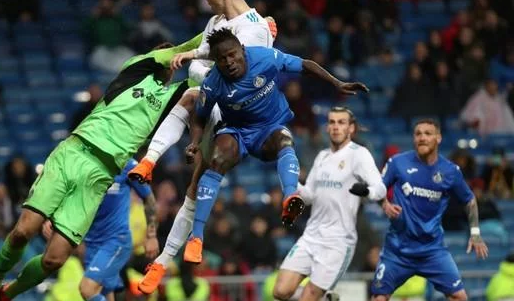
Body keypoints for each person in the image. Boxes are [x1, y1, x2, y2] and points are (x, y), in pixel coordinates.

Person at [0, 33, 203, 301]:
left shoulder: (174, 97)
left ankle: (6, 295)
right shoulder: (135, 70)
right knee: (23, 231)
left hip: (99, 177)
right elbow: (182, 49)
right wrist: (215, 31)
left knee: (55, 259)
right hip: (74, 153)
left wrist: (229, 36)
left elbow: (200, 80)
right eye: (167, 57)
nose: (171, 63)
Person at [133, 0, 277, 293]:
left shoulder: (254, 30)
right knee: (193, 190)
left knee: (191, 90)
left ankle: (151, 163)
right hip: (214, 107)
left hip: (240, 115)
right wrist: (193, 57)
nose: (207, 1)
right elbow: (207, 56)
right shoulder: (216, 23)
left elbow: (240, 77)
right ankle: (161, 261)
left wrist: (197, 65)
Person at [184, 29, 367, 264]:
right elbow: (200, 117)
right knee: (217, 159)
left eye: (232, 54)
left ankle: (291, 197)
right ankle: (196, 238)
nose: (229, 62)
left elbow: (305, 64)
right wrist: (194, 142)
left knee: (284, 140)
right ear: (216, 61)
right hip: (237, 131)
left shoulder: (265, 57)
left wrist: (336, 83)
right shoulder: (213, 84)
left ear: (242, 48)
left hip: (269, 129)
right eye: (222, 59)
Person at [368, 119, 489, 301]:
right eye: (418, 134)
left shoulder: (450, 171)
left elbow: (470, 200)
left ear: (438, 138)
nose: (422, 138)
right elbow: (378, 190)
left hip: (432, 250)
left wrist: (475, 232)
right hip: (398, 250)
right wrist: (385, 204)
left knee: (459, 297)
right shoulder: (397, 163)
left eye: (428, 133)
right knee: (378, 297)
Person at [273, 107, 387, 301]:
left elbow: (380, 188)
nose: (335, 127)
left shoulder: (359, 155)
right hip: (311, 236)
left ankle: (321, 297)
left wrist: (366, 191)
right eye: (332, 122)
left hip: (338, 242)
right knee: (280, 292)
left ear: (351, 128)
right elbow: (308, 195)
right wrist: (292, 183)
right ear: (327, 127)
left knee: (307, 299)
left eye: (341, 122)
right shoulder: (322, 156)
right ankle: (327, 298)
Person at [41, 159, 159, 301]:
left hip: (116, 240)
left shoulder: (128, 165)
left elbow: (148, 198)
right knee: (103, 294)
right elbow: (71, 196)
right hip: (90, 244)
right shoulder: (82, 162)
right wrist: (54, 218)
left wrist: (151, 236)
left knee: (87, 289)